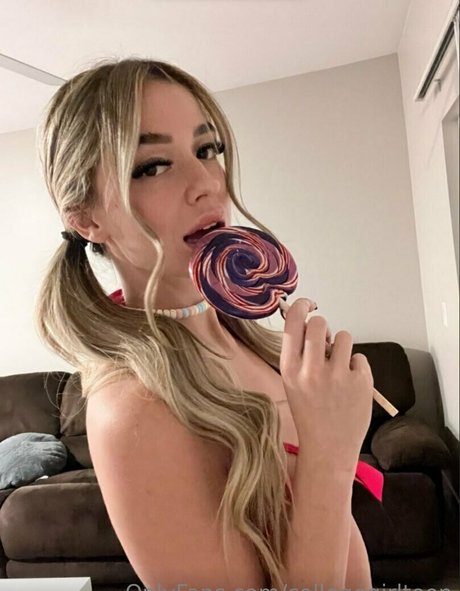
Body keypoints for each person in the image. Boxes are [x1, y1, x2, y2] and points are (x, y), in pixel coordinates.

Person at [35, 58, 377, 589]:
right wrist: (330, 455)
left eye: (206, 149)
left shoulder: (248, 340)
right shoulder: (136, 409)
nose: (206, 184)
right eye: (152, 166)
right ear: (87, 218)